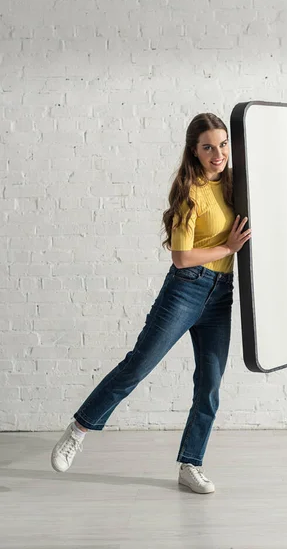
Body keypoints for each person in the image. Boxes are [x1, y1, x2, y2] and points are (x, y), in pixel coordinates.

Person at [51, 112, 252, 494]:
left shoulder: (234, 186)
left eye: (223, 144)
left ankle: (190, 464)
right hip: (186, 289)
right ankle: (79, 428)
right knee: (138, 366)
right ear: (194, 151)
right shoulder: (189, 191)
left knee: (209, 384)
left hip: (221, 294)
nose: (218, 153)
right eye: (208, 147)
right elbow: (180, 257)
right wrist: (227, 247)